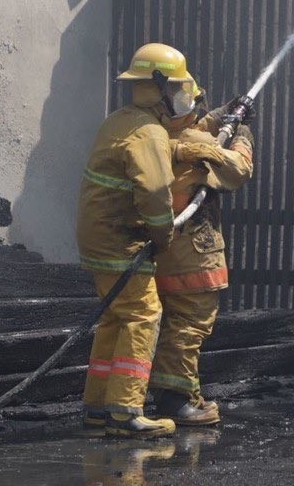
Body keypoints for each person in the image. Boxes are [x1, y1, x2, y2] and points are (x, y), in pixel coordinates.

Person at [77, 42, 202, 439]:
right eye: (179, 87)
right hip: (120, 241)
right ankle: (125, 411)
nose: (183, 97)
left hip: (98, 238)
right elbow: (154, 191)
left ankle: (98, 409)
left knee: (115, 318)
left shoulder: (122, 120)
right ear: (160, 86)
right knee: (144, 315)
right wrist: (163, 234)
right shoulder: (148, 132)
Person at [149, 112, 254, 426]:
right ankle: (174, 400)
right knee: (188, 326)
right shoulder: (195, 143)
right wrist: (244, 133)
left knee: (172, 326)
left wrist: (225, 114)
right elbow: (239, 169)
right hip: (193, 256)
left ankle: (187, 395)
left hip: (166, 252)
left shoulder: (154, 137)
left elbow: (194, 127)